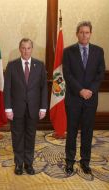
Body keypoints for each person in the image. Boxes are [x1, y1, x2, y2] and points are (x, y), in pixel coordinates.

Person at [63, 21, 105, 175]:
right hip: (74, 98)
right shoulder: (68, 51)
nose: (84, 35)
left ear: (90, 34)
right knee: (72, 132)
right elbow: (67, 74)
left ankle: (85, 161)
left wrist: (90, 91)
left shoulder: (99, 51)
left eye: (87, 32)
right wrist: (80, 90)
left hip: (91, 99)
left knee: (87, 132)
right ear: (77, 34)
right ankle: (69, 162)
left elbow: (100, 74)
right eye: (81, 32)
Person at [4, 38, 48, 175]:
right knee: (17, 137)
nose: (26, 51)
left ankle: (29, 163)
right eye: (23, 48)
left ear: (32, 49)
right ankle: (18, 163)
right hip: (16, 109)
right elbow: (8, 89)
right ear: (19, 49)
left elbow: (44, 88)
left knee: (30, 136)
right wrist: (8, 108)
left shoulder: (39, 65)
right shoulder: (12, 65)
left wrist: (43, 107)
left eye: (28, 48)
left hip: (34, 109)